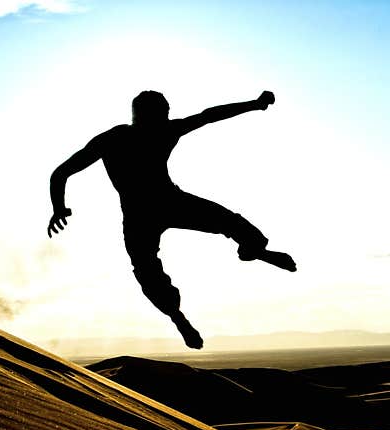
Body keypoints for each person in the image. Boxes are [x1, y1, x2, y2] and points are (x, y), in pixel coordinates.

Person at [47, 90, 295, 349]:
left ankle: (257, 252)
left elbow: (210, 116)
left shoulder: (157, 131)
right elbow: (60, 173)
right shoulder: (115, 138)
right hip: (148, 214)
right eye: (160, 114)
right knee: (147, 272)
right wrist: (58, 207)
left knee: (233, 226)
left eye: (165, 114)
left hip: (167, 204)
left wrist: (254, 105)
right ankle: (179, 319)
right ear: (139, 115)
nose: (164, 118)